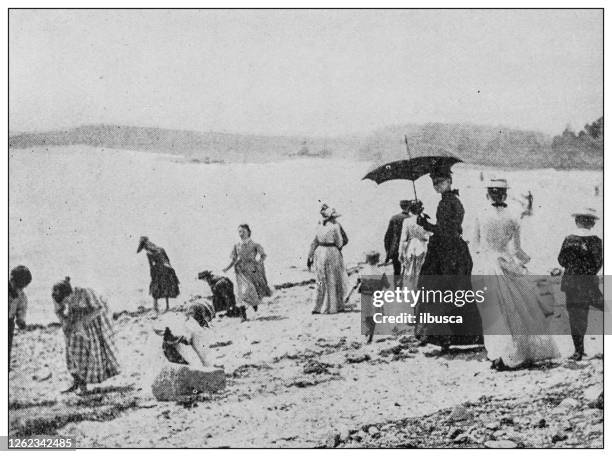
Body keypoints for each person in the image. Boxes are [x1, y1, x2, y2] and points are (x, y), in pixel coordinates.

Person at [472, 179, 560, 370]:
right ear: (504, 194)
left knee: (492, 312)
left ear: (488, 194)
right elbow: (518, 250)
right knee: (513, 312)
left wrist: (484, 258)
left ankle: (497, 354)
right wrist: (526, 263)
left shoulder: (481, 213)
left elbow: (476, 245)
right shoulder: (514, 215)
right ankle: (508, 354)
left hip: (487, 265)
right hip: (506, 263)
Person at [415, 167, 483, 352]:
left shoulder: (447, 202)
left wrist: (425, 224)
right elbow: (450, 228)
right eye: (435, 183)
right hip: (455, 249)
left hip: (447, 251)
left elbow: (445, 230)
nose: (437, 186)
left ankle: (444, 336)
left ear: (449, 181)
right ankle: (464, 334)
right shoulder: (452, 200)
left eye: (441, 182)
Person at [52, 277, 120, 394]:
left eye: (67, 300)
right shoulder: (57, 297)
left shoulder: (85, 292)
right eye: (63, 302)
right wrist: (65, 321)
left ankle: (85, 385)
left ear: (71, 293)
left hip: (92, 321)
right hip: (74, 322)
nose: (66, 303)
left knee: (89, 352)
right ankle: (77, 382)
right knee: (72, 352)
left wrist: (83, 321)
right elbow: (59, 311)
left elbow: (100, 308)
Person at [558, 208, 603, 361]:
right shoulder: (597, 241)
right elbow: (598, 263)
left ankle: (578, 350)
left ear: (577, 222)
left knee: (575, 317)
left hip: (571, 283)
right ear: (592, 223)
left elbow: (561, 260)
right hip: (589, 283)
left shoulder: (569, 239)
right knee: (602, 309)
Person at [223, 224, 271, 320]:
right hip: (239, 271)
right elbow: (233, 259)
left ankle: (253, 304)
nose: (241, 234)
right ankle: (243, 315)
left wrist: (258, 263)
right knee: (241, 292)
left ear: (248, 232)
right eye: (239, 232)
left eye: (243, 231)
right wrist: (226, 268)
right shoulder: (236, 245)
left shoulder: (255, 245)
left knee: (250, 289)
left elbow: (263, 255)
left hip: (252, 270)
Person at [307, 205, 349, 314]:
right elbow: (339, 242)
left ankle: (317, 306)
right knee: (333, 278)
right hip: (332, 251)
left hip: (319, 252)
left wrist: (310, 256)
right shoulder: (335, 226)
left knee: (320, 279)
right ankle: (333, 306)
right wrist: (338, 248)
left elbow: (314, 242)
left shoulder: (319, 226)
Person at [155, 302, 215, 367]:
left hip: (168, 348)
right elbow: (201, 351)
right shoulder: (194, 326)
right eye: (205, 321)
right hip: (175, 348)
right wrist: (208, 367)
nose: (204, 325)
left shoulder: (182, 319)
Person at [137, 236, 180, 314]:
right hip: (168, 269)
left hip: (159, 270)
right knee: (167, 287)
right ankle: (167, 307)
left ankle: (155, 308)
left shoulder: (149, 253)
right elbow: (167, 260)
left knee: (155, 288)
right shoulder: (161, 249)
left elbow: (151, 265)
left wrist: (152, 274)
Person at [358, 251, 390, 343]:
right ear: (378, 260)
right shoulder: (381, 271)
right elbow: (387, 285)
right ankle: (371, 334)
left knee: (367, 315)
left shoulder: (363, 271)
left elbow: (358, 283)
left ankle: (367, 331)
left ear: (366, 260)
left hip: (366, 296)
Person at [399, 200, 430, 290]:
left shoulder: (407, 221)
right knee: (420, 271)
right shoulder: (424, 220)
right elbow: (428, 235)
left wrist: (400, 252)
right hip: (422, 247)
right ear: (421, 209)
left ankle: (409, 293)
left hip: (410, 247)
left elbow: (403, 239)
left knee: (409, 271)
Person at [9, 266, 32, 371]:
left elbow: (21, 309)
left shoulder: (21, 296)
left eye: (21, 287)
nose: (18, 289)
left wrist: (21, 321)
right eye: (16, 285)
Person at [384, 200, 412, 286]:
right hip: (408, 248)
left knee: (397, 271)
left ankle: (397, 291)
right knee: (408, 271)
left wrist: (388, 252)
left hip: (395, 248)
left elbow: (387, 237)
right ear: (409, 207)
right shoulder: (412, 219)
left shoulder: (394, 218)